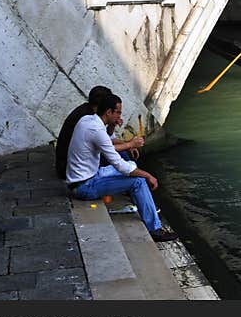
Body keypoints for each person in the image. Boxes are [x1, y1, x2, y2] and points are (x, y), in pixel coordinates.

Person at [66, 93, 177, 242]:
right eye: (117, 112)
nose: (120, 115)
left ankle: (145, 204)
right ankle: (155, 229)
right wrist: (148, 175)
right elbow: (118, 164)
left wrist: (112, 125)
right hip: (84, 186)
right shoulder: (96, 130)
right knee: (138, 180)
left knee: (132, 166)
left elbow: (107, 141)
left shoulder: (88, 120)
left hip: (87, 176)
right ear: (108, 112)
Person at [55, 86, 143, 179]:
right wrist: (129, 144)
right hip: (71, 167)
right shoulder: (89, 119)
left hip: (72, 163)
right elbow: (106, 146)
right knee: (125, 162)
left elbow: (107, 138)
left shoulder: (91, 114)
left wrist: (112, 125)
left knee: (124, 157)